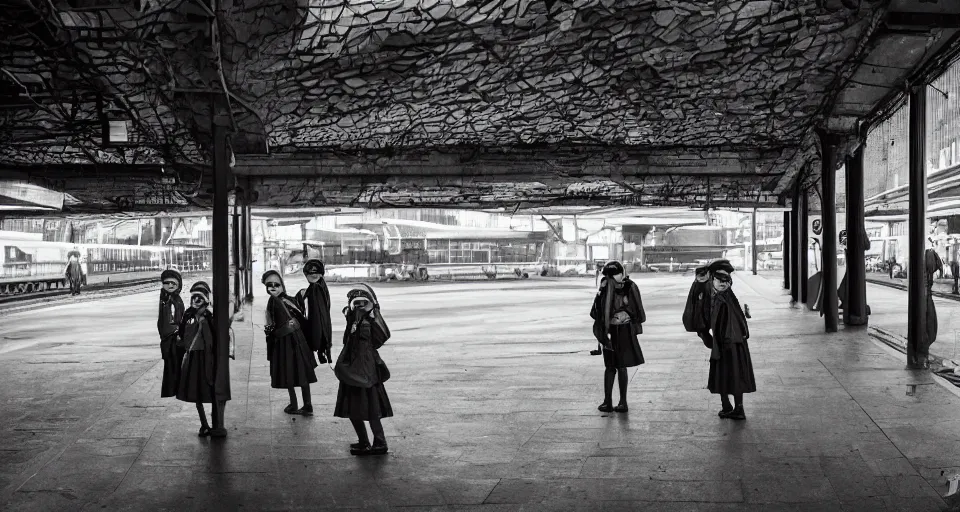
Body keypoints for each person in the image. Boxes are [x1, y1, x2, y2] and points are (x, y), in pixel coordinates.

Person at [334, 284, 393, 456]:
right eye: (356, 303)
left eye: (363, 303)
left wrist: (370, 316)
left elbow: (377, 339)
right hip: (355, 371)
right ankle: (366, 442)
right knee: (356, 409)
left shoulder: (366, 322)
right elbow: (347, 341)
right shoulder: (355, 320)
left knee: (369, 409)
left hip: (364, 372)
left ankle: (378, 442)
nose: (359, 307)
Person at [590, 260, 646, 413]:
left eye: (614, 274)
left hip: (616, 330)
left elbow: (639, 313)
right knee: (615, 367)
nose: (613, 277)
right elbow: (596, 311)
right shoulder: (618, 286)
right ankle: (614, 402)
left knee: (615, 367)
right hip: (616, 330)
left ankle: (615, 402)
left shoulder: (620, 286)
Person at [706, 260, 756, 420]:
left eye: (726, 280)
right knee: (727, 374)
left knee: (732, 374)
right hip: (724, 344)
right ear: (712, 280)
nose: (723, 282)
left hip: (731, 345)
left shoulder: (725, 299)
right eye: (719, 279)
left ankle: (737, 408)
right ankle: (727, 406)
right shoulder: (721, 297)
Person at [262, 270, 317, 415]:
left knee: (290, 372)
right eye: (269, 285)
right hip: (295, 341)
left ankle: (296, 405)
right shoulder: (284, 299)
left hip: (286, 342)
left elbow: (271, 326)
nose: (273, 287)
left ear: (281, 285)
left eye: (276, 284)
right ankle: (306, 405)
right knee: (299, 371)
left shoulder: (277, 301)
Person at [176, 282, 221, 436]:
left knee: (210, 389)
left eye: (199, 298)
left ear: (206, 299)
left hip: (206, 358)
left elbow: (215, 337)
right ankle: (204, 424)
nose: (195, 300)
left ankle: (216, 423)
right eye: (194, 297)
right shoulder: (188, 314)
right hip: (193, 358)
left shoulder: (209, 315)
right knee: (196, 392)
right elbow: (181, 333)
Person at [296, 259, 333, 364]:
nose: (313, 275)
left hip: (317, 327)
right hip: (321, 329)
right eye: (311, 273)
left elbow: (319, 315)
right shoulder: (320, 286)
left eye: (316, 272)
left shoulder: (316, 288)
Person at [158, 269, 185, 398]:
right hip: (171, 338)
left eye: (173, 283)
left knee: (174, 365)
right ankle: (174, 390)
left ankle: (175, 389)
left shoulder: (175, 299)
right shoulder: (166, 298)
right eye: (166, 283)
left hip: (174, 337)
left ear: (178, 285)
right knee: (172, 365)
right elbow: (165, 320)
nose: (170, 286)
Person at [920, 240, 944, 366]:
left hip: (926, 297)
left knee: (930, 328)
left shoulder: (926, 258)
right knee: (930, 328)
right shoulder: (928, 257)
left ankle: (924, 354)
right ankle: (923, 355)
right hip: (925, 298)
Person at [682, 265, 713, 349]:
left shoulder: (706, 284)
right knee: (702, 330)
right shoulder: (698, 284)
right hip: (700, 311)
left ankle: (715, 346)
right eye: (700, 275)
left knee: (703, 329)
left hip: (705, 310)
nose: (701, 277)